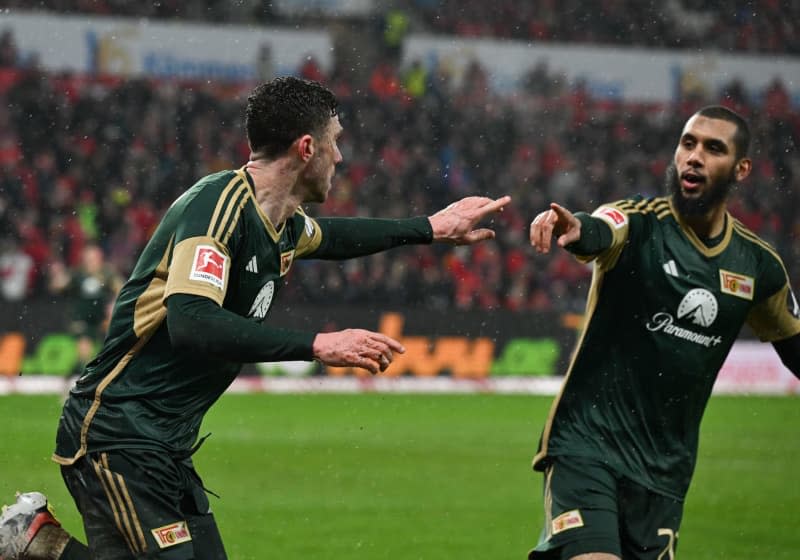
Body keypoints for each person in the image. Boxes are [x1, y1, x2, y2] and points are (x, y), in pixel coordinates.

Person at [0, 76, 510, 560]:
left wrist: (430, 227)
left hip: (165, 442)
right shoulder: (218, 206)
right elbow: (192, 320)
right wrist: (317, 345)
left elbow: (335, 238)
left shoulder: (282, 225)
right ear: (305, 148)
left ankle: (38, 544)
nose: (340, 156)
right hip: (118, 432)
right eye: (334, 142)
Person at [527, 105, 800, 560]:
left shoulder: (757, 266)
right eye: (687, 143)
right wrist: (577, 229)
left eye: (713, 149)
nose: (694, 156)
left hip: (664, 475)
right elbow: (601, 229)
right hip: (587, 445)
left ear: (741, 168)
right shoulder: (640, 223)